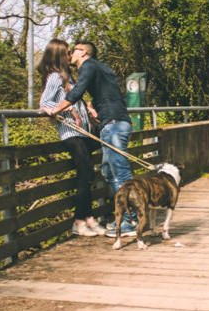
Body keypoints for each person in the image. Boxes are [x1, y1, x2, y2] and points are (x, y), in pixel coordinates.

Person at [43, 40, 137, 238]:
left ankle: (129, 221)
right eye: (67, 52)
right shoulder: (98, 69)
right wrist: (92, 106)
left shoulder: (88, 66)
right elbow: (104, 93)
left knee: (118, 172)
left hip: (112, 124)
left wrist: (59, 108)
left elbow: (76, 93)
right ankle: (98, 219)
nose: (70, 55)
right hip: (107, 124)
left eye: (73, 51)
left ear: (83, 52)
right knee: (108, 172)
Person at [38, 39, 105, 237]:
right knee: (86, 174)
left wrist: (87, 110)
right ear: (59, 55)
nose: (70, 55)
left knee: (86, 174)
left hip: (82, 131)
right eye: (67, 52)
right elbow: (45, 102)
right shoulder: (55, 77)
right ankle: (79, 221)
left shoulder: (68, 78)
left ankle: (88, 219)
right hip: (70, 133)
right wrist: (63, 112)